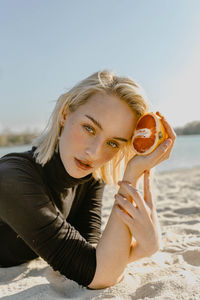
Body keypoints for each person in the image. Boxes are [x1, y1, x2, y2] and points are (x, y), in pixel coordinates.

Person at [0, 70, 176, 289]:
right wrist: (131, 177)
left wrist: (147, 246)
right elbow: (99, 274)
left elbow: (93, 255)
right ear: (65, 113)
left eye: (113, 143)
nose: (94, 152)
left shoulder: (89, 176)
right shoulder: (11, 178)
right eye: (89, 128)